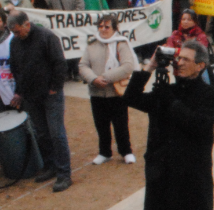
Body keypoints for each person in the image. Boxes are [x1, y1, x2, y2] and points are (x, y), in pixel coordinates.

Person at [124, 40, 214, 210]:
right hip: (163, 175)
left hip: (193, 177)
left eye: (185, 59)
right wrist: (149, 67)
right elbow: (131, 97)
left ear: (200, 66)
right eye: (178, 58)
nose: (178, 62)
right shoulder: (165, 90)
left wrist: (171, 102)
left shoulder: (210, 95)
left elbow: (199, 126)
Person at [7, 11, 72, 192]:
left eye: (18, 31)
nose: (17, 35)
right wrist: (19, 91)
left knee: (56, 133)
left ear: (27, 24)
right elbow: (15, 67)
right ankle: (50, 166)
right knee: (42, 132)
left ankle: (64, 173)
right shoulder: (15, 42)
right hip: (30, 95)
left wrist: (55, 87)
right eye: (14, 32)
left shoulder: (46, 37)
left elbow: (59, 63)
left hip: (50, 94)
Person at [79, 14, 137, 166]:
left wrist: (105, 78)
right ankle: (104, 152)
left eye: (107, 27)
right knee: (101, 124)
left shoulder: (121, 43)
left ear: (114, 28)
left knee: (121, 124)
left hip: (116, 92)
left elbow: (127, 66)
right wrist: (93, 79)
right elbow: (83, 65)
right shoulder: (92, 43)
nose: (103, 30)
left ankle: (126, 151)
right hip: (97, 92)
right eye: (100, 26)